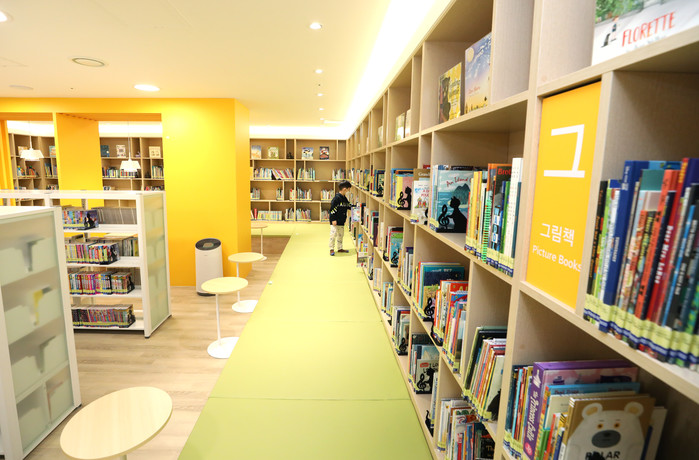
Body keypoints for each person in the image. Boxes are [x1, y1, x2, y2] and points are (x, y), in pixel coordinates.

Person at [329, 180, 352, 256]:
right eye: (348, 189)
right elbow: (332, 210)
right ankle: (331, 248)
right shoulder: (336, 199)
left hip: (342, 220)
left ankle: (340, 248)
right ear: (345, 189)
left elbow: (348, 205)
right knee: (333, 234)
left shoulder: (344, 198)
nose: (349, 191)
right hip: (335, 221)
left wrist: (355, 207)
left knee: (341, 235)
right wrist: (333, 219)